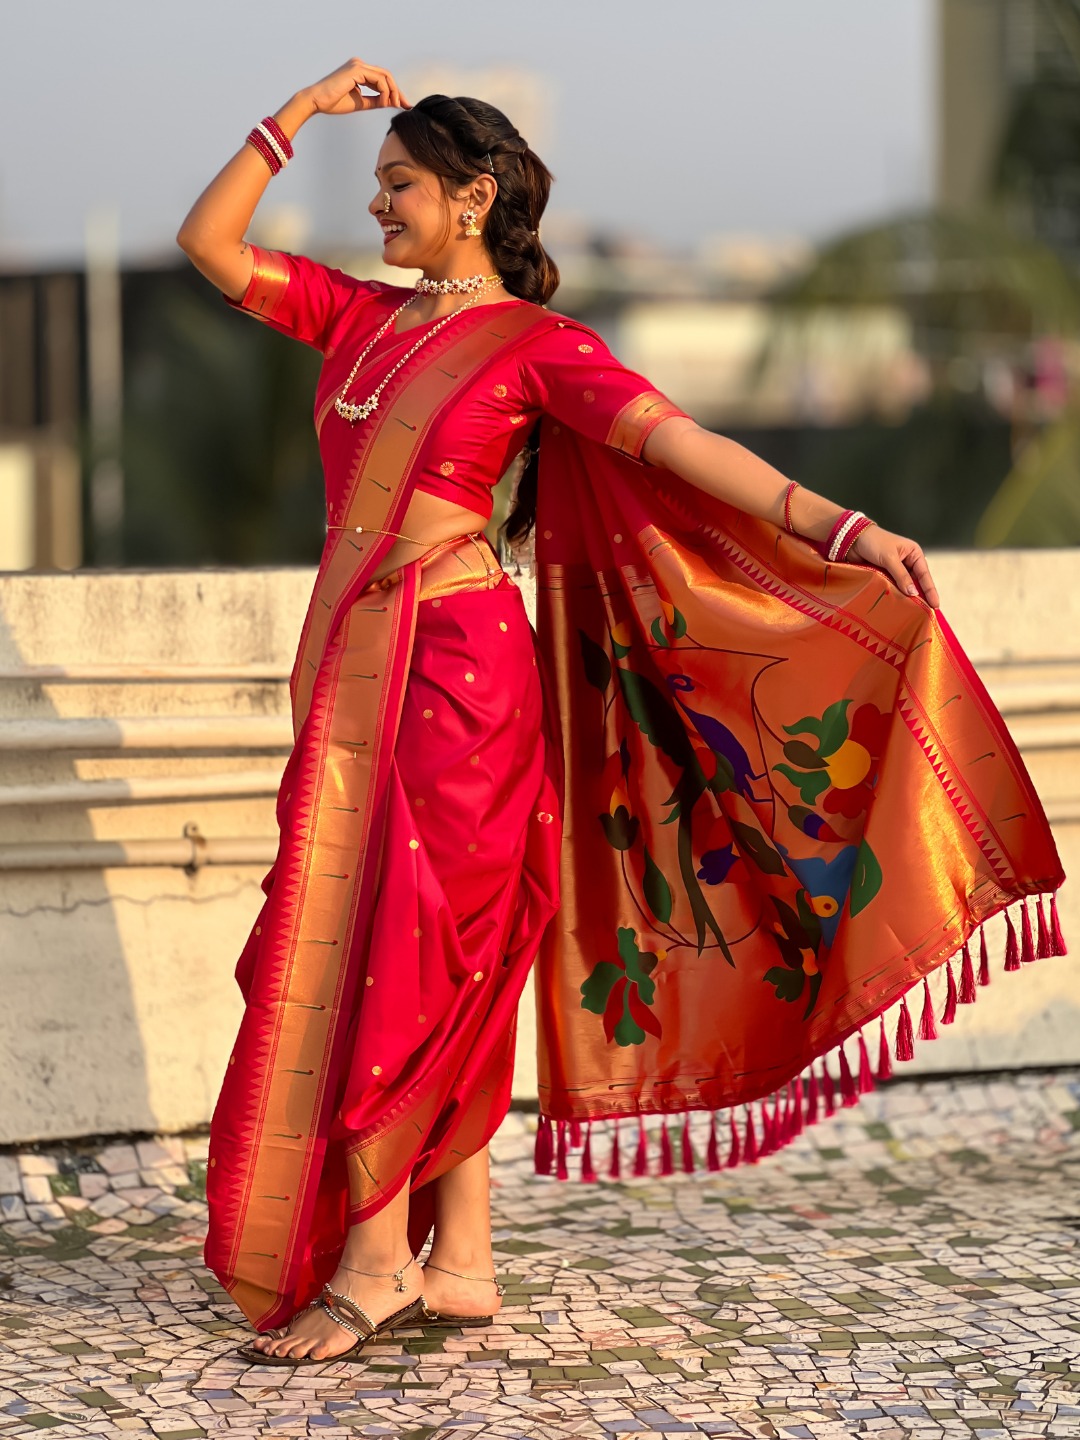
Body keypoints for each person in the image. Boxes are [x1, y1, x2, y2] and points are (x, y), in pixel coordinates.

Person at [177, 58, 1065, 1366]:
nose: (378, 208)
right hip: (356, 680)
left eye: (400, 186)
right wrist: (299, 113)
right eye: (375, 188)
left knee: (426, 957)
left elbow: (681, 444)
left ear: (473, 200)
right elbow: (208, 243)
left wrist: (843, 524)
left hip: (459, 681)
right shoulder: (360, 322)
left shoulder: (538, 350)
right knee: (408, 949)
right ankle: (462, 1257)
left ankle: (376, 1266)